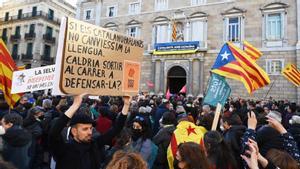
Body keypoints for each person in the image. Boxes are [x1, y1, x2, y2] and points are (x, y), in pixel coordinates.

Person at [49, 94, 130, 169]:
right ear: (74, 131)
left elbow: (117, 128)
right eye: (85, 129)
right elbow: (54, 133)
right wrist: (75, 105)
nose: (90, 132)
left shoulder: (94, 144)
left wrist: (126, 105)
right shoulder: (63, 149)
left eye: (90, 128)